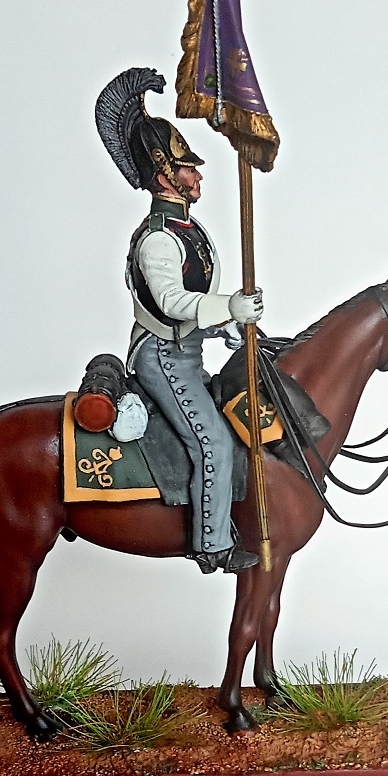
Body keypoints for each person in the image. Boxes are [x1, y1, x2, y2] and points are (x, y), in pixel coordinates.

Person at [95, 67, 263, 573]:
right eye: (189, 168)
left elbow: (199, 303)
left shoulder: (192, 231)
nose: (198, 176)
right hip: (162, 356)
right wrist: (228, 307)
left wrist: (229, 326)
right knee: (213, 442)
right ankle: (213, 545)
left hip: (189, 351)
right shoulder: (158, 239)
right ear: (166, 176)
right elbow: (172, 302)